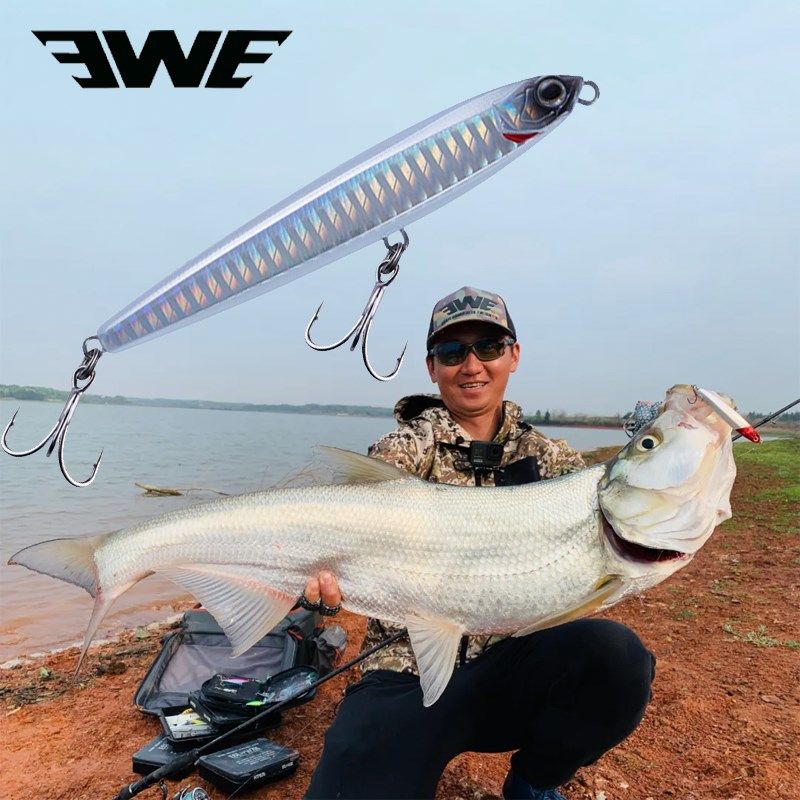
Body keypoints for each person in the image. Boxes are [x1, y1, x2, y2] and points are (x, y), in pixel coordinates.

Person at [300, 287, 655, 800]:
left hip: (511, 670)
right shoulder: (402, 449)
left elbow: (610, 538)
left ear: (513, 355)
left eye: (487, 346)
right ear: (432, 367)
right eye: (452, 352)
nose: (471, 365)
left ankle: (534, 781)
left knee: (615, 658)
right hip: (404, 672)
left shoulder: (551, 458)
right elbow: (339, 535)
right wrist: (315, 581)